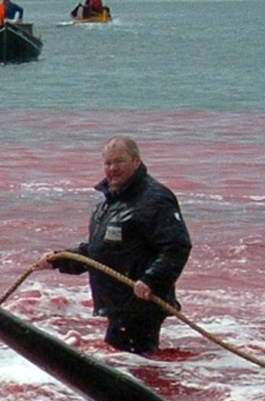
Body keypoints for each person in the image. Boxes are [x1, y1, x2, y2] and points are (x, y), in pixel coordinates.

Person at [41, 136, 192, 355]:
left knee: (134, 364)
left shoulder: (155, 199)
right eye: (108, 163)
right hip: (117, 305)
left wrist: (152, 280)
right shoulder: (109, 203)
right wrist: (59, 259)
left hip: (141, 304)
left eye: (119, 162)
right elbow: (99, 252)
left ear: (136, 162)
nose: (112, 168)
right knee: (125, 360)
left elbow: (177, 246)